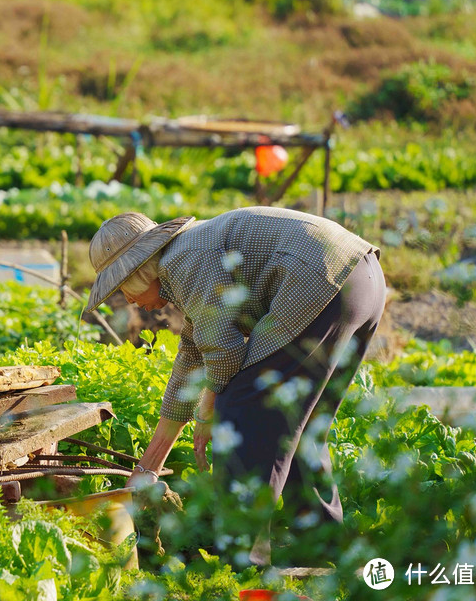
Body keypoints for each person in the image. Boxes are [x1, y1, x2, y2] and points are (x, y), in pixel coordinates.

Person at [85, 206, 385, 566]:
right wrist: (147, 469)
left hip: (318, 284)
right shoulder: (187, 258)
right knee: (298, 427)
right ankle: (322, 548)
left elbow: (224, 354)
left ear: (139, 270)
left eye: (123, 288)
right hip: (361, 280)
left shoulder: (184, 262)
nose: (130, 301)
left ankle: (242, 562)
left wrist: (209, 413)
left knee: (239, 413)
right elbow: (191, 358)